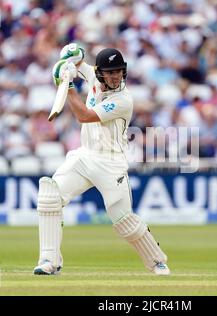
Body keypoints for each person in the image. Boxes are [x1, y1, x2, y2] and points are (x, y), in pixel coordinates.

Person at [33, 43, 170, 276]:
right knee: (49, 195)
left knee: (123, 220)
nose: (115, 76)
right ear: (100, 74)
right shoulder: (95, 77)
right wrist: (71, 58)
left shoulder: (124, 99)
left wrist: (67, 87)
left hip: (111, 163)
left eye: (118, 71)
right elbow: (79, 65)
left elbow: (84, 116)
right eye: (110, 72)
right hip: (85, 155)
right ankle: (49, 260)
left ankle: (157, 260)